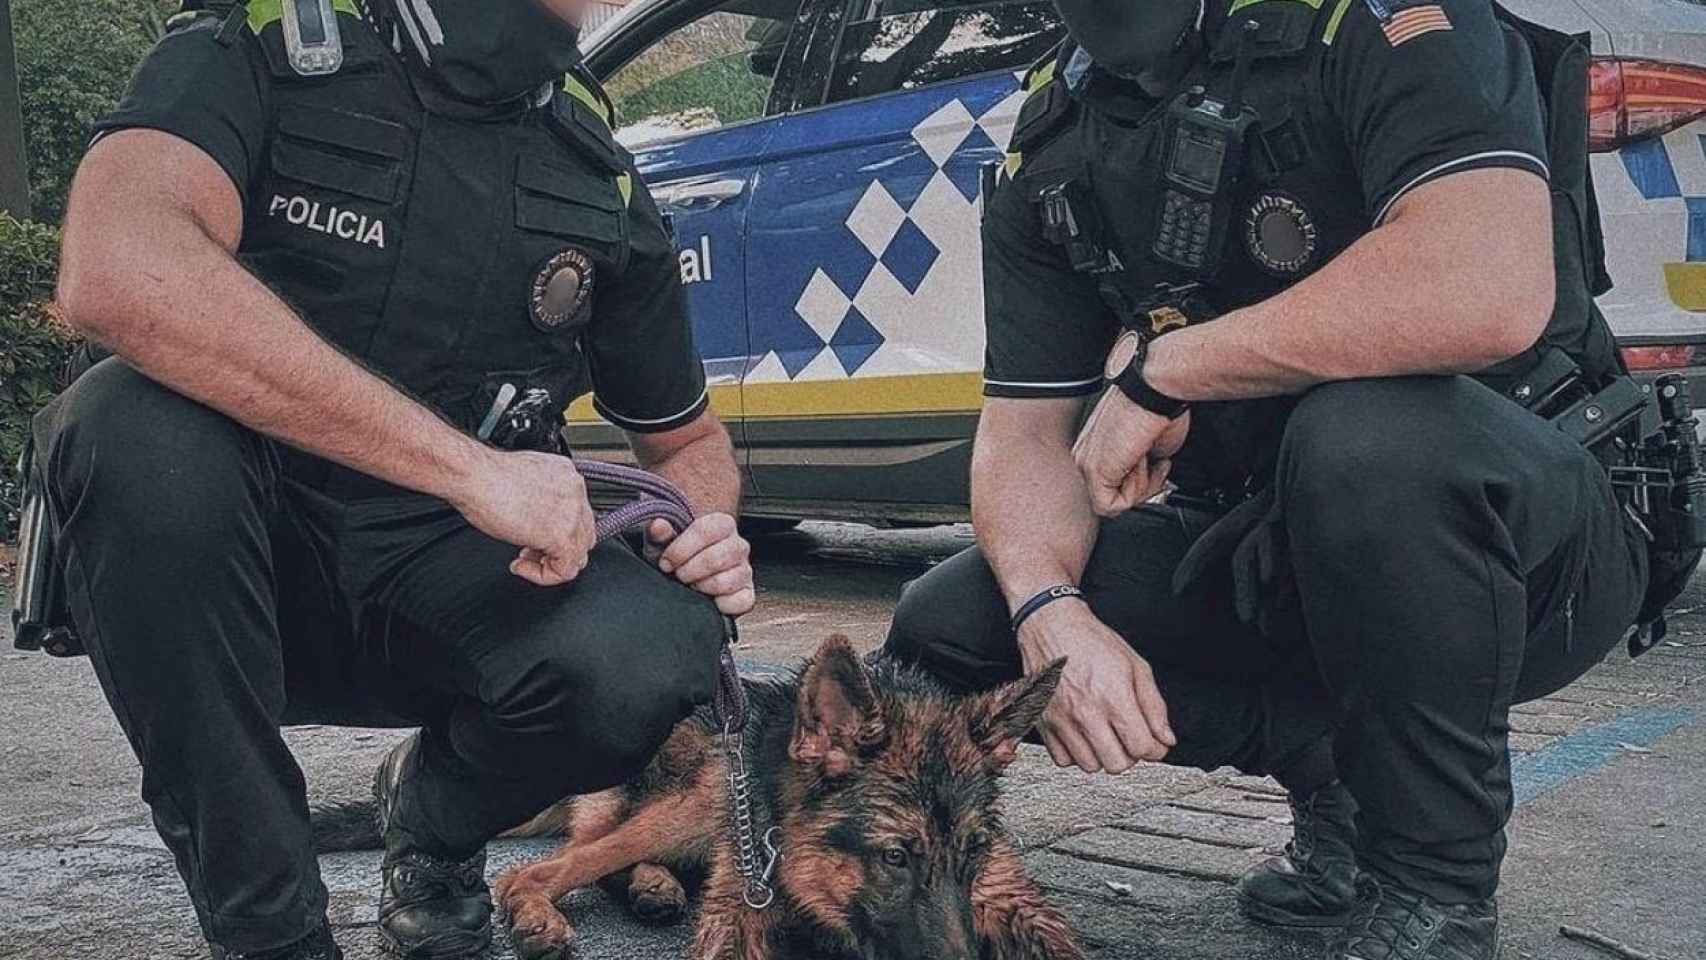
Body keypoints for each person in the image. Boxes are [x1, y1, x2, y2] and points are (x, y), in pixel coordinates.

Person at [883, 2, 1679, 958]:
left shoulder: (1371, 22)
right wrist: (1049, 610)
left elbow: (1487, 284)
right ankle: (1341, 773)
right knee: (952, 627)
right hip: (1274, 546)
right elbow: (1024, 437)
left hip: (1529, 540)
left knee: (1366, 439)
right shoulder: (1061, 130)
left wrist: (1167, 368)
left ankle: (1433, 889)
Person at [36, 1, 755, 958]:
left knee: (659, 645)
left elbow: (684, 438)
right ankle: (269, 930)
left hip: (446, 590)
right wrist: (464, 466)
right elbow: (119, 268)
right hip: (238, 572)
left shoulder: (588, 154)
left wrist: (706, 527)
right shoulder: (258, 45)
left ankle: (434, 833)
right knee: (123, 422)